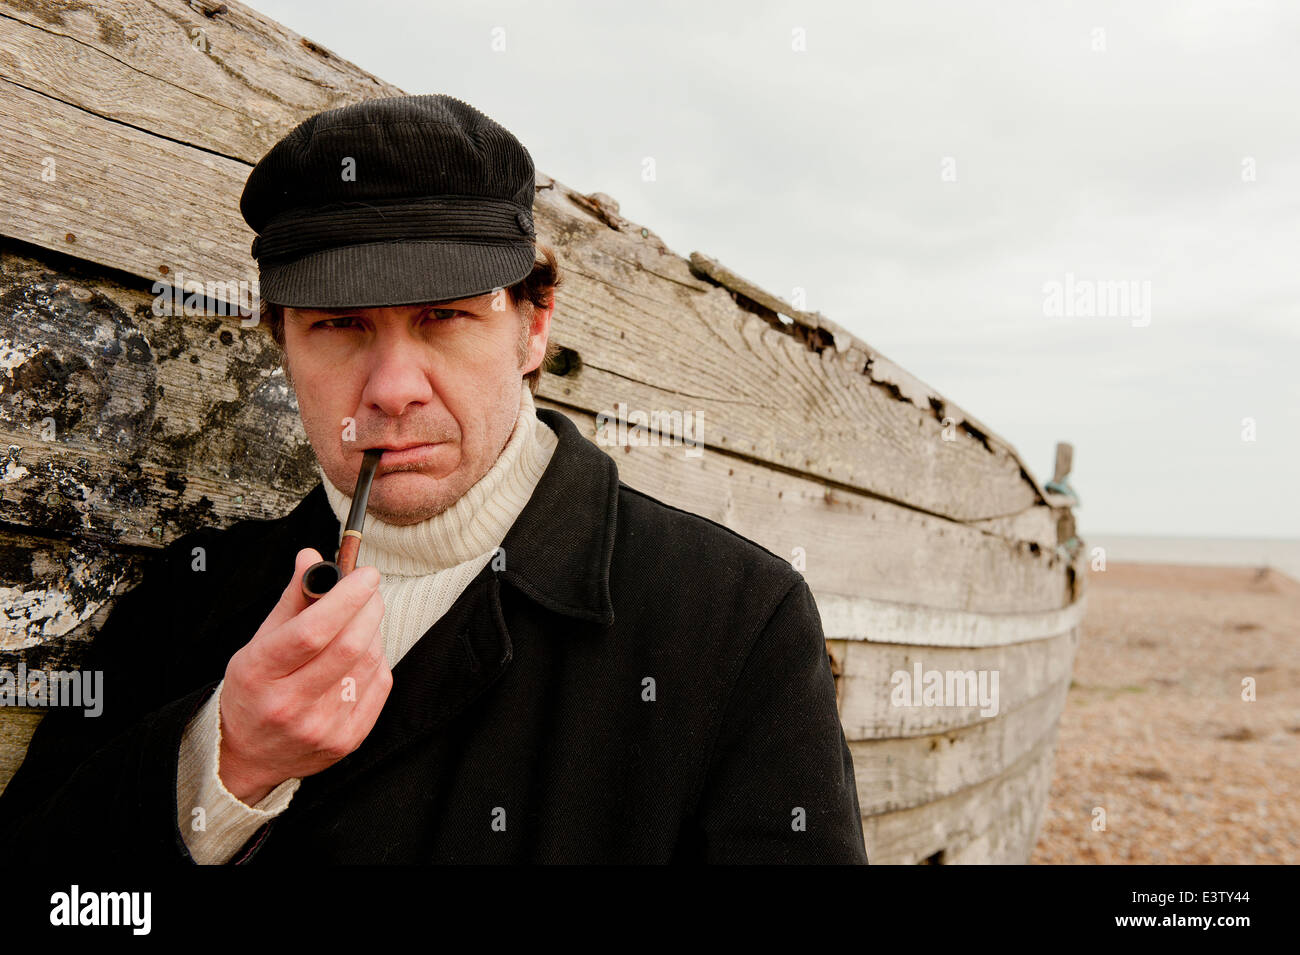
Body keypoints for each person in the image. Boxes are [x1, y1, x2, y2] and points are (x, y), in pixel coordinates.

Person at [0, 94, 868, 864]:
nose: (390, 388)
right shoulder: (186, 601)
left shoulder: (733, 624)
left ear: (534, 327)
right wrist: (223, 763)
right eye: (340, 325)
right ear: (282, 343)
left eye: (444, 316)